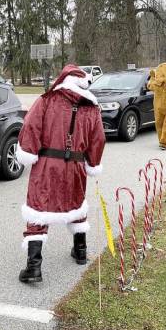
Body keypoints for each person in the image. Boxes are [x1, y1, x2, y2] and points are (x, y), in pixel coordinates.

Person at [15, 64, 106, 283]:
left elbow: (30, 126)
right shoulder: (92, 108)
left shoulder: (46, 100)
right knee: (76, 203)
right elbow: (98, 139)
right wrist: (92, 163)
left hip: (47, 164)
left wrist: (28, 152)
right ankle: (81, 252)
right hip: (75, 166)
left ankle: (34, 268)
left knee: (38, 207)